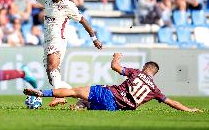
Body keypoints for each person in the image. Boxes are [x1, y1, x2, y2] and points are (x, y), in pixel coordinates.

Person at [20, 0, 102, 107]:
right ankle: (83, 99)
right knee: (52, 76)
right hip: (47, 41)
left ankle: (57, 96)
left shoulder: (68, 5)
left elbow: (83, 21)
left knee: (53, 68)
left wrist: (94, 38)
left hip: (58, 40)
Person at [24, 53, 201, 112]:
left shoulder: (136, 73)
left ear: (146, 67)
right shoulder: (154, 89)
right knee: (84, 103)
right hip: (114, 108)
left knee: (76, 91)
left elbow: (115, 66)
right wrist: (189, 109)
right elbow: (171, 102)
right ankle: (79, 106)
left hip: (109, 94)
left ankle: (43, 93)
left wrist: (116, 57)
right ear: (154, 74)